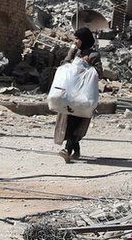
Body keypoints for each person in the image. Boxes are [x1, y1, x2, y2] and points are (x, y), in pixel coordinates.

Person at [54, 27, 102, 163]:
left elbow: (99, 73)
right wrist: (70, 54)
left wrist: (86, 65)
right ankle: (74, 149)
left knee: (76, 121)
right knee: (68, 120)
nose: (75, 41)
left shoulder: (94, 55)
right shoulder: (75, 52)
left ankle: (67, 150)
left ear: (84, 40)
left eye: (77, 39)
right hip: (70, 93)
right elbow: (64, 66)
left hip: (83, 95)